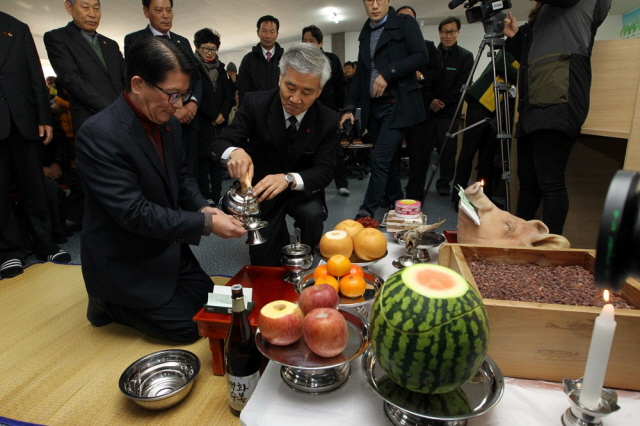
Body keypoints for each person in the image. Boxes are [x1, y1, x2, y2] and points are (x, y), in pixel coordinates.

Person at [75, 36, 246, 342]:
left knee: (216, 306)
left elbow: (181, 177)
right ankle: (107, 303)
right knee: (189, 328)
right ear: (138, 84)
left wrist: (202, 207)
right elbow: (134, 213)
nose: (179, 105)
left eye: (184, 95)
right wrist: (207, 223)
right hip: (125, 259)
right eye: (172, 95)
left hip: (165, 248)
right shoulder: (98, 134)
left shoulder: (168, 123)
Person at [212, 43, 337, 267]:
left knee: (312, 218)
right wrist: (235, 152)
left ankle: (305, 260)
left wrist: (288, 179)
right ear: (280, 78)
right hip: (262, 194)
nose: (296, 99)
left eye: (307, 92)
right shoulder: (254, 103)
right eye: (290, 86)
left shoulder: (327, 119)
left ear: (320, 90)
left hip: (302, 192)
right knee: (264, 264)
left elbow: (325, 170)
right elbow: (221, 142)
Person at [504, 0, 611, 235]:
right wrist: (516, 36)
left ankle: (551, 249)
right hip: (534, 102)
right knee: (528, 182)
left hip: (560, 100)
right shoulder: (545, 12)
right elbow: (528, 55)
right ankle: (518, 244)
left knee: (550, 182)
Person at [341, 0, 429, 219]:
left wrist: (388, 73)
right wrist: (349, 108)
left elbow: (421, 56)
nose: (375, 4)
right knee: (385, 162)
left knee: (380, 160)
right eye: (369, 0)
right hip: (374, 109)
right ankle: (399, 204)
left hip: (397, 106)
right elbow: (361, 75)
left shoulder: (404, 23)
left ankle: (366, 211)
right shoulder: (365, 33)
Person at [0, 12, 71, 279]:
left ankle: (46, 245)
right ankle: (9, 252)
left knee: (34, 186)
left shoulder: (15, 27)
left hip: (23, 121)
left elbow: (34, 72)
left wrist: (44, 117)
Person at [124, 0, 202, 181]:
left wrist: (192, 103)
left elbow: (196, 78)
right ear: (146, 12)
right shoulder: (135, 40)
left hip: (188, 118)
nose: (165, 15)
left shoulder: (182, 41)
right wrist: (173, 108)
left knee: (188, 171)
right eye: (159, 10)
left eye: (169, 10)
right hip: (159, 118)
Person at [44, 0, 126, 134]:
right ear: (69, 7)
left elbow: (125, 75)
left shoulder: (110, 44)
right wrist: (113, 109)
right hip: (90, 120)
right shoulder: (57, 38)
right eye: (85, 7)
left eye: (96, 8)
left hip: (124, 118)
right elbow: (71, 79)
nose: (92, 14)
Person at [451, 51, 519, 209]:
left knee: (487, 157)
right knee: (468, 152)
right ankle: (458, 197)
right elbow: (500, 63)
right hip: (480, 103)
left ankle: (485, 198)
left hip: (498, 107)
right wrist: (522, 75)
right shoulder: (514, 46)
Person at [396, 5, 444, 201]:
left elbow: (438, 73)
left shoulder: (428, 46)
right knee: (389, 158)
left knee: (419, 158)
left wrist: (420, 76)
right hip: (394, 110)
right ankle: (390, 196)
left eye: (410, 19)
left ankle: (414, 198)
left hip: (420, 110)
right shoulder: (388, 49)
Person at [426, 16, 473, 197]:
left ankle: (443, 183)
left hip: (450, 112)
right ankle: (417, 184)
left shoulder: (465, 56)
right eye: (444, 31)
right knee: (423, 150)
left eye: (452, 31)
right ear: (439, 33)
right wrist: (431, 100)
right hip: (428, 111)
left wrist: (442, 102)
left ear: (458, 33)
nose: (448, 35)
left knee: (447, 150)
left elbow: (462, 85)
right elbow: (425, 80)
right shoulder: (430, 54)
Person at [301, 24, 350, 196]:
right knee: (306, 149)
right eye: (305, 41)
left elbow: (340, 87)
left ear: (320, 43)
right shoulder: (299, 62)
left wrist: (342, 111)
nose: (308, 44)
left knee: (335, 149)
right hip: (305, 112)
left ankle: (341, 184)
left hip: (329, 112)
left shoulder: (331, 59)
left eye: (311, 41)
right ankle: (308, 183)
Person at [193, 28, 234, 206]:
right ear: (197, 47)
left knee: (217, 160)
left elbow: (229, 96)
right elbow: (194, 96)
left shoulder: (222, 69)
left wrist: (222, 115)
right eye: (206, 48)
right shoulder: (193, 69)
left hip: (219, 124)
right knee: (203, 161)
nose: (210, 52)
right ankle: (206, 196)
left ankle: (217, 195)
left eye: (213, 49)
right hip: (201, 122)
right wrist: (212, 114)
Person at [237, 15, 284, 105]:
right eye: (264, 31)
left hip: (279, 110)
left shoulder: (285, 59)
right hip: (255, 111)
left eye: (272, 31)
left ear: (277, 34)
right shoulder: (248, 60)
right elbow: (243, 90)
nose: (268, 36)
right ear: (258, 32)